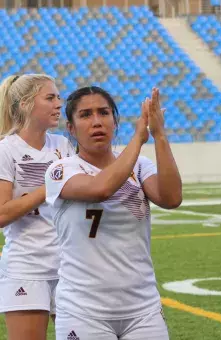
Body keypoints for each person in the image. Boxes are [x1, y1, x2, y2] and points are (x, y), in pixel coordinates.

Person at [45, 86, 182, 340]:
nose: (96, 121)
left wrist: (159, 135)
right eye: (85, 115)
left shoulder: (140, 166)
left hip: (143, 308)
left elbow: (172, 198)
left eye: (104, 113)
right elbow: (101, 189)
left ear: (115, 121)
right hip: (83, 310)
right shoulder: (61, 169)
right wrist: (139, 139)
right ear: (71, 128)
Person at [0, 74, 74, 340]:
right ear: (25, 104)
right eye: (50, 97)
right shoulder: (5, 150)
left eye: (58, 97)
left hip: (70, 266)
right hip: (27, 267)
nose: (59, 103)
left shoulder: (63, 145)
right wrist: (49, 187)